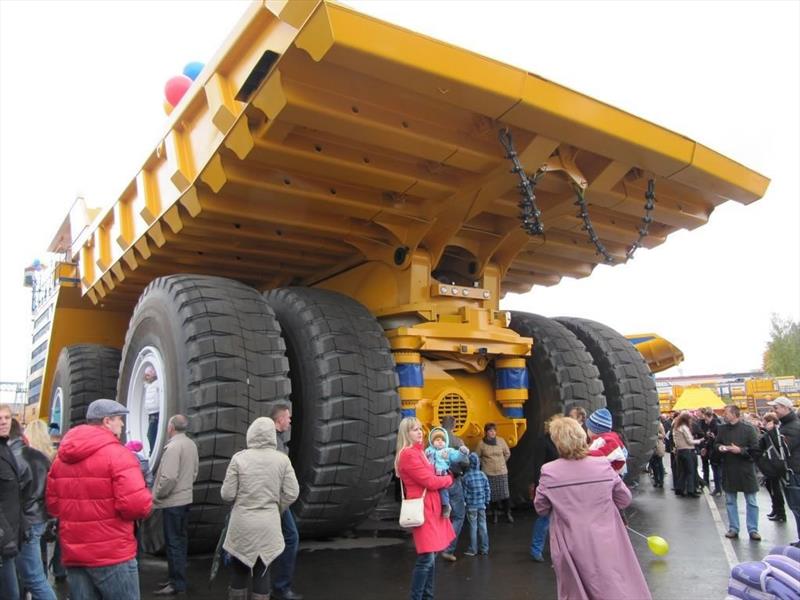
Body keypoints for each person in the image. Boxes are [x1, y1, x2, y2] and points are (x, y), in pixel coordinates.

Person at [46, 398, 153, 600]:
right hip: (112, 554)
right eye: (119, 419)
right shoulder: (119, 455)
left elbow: (53, 506)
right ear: (106, 421)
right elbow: (137, 505)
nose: (122, 424)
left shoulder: (60, 459)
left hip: (75, 554)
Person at [534, 417, 651, 600]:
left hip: (570, 541)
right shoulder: (602, 464)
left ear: (557, 442)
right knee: (613, 584)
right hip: (607, 537)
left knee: (575, 589)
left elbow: (541, 508)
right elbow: (624, 498)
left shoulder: (549, 471)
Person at [221, 417, 299, 600]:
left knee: (239, 571)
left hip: (242, 526)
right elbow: (292, 492)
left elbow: (227, 494)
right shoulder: (282, 460)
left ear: (251, 434)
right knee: (262, 571)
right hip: (268, 527)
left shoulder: (239, 459)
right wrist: (277, 507)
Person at [395, 417, 456, 600]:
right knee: (426, 557)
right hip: (423, 507)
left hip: (430, 506)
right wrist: (449, 478)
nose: (420, 432)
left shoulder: (418, 452)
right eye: (415, 429)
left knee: (431, 555)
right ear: (406, 433)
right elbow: (429, 481)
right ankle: (418, 597)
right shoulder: (408, 454)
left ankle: (427, 596)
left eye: (420, 429)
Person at [8, 419, 56, 600]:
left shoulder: (13, 458)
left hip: (24, 521)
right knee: (32, 573)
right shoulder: (41, 457)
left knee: (33, 577)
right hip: (38, 517)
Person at [151, 414, 199, 596]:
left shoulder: (173, 447)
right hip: (186, 499)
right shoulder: (190, 444)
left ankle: (176, 584)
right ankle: (176, 578)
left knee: (173, 544)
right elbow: (194, 472)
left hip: (172, 503)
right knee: (180, 541)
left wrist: (156, 495)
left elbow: (169, 477)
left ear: (170, 428)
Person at [270, 403, 303, 600]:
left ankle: (268, 587)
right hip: (276, 501)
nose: (290, 421)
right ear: (279, 419)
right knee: (291, 538)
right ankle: (280, 588)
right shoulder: (275, 442)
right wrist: (281, 504)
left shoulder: (276, 440)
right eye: (288, 418)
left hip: (274, 500)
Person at [26, 420, 65, 583]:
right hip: (51, 506)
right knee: (58, 539)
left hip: (31, 510)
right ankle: (58, 570)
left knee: (35, 547)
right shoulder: (54, 457)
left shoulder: (24, 456)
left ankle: (39, 575)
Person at [715, 404, 761, 540]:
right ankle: (733, 528)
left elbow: (755, 450)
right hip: (729, 468)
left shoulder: (749, 429)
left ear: (735, 414)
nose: (724, 415)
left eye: (726, 413)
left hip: (746, 469)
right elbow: (716, 444)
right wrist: (721, 448)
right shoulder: (722, 429)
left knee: (751, 501)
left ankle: (753, 529)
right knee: (730, 500)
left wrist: (740, 450)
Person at [1, 404, 30, 600]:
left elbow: (13, 495)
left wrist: (23, 525)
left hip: (10, 538)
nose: (3, 422)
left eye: (6, 418)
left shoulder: (6, 448)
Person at [767, 396, 800, 547]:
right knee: (796, 507)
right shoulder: (788, 425)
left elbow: (784, 448)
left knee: (797, 506)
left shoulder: (792, 426)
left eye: (776, 408)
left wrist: (772, 433)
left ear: (786, 408)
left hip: (794, 471)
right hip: (792, 470)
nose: (774, 411)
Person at [529, 415, 561, 562]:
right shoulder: (543, 442)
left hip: (560, 483)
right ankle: (536, 550)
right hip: (547, 484)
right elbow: (538, 466)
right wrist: (538, 485)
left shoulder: (559, 441)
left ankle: (559, 550)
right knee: (544, 518)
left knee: (558, 519)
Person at [439, 416, 468, 562]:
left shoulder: (433, 441)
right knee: (458, 516)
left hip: (438, 483)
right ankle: (448, 549)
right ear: (454, 425)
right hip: (453, 481)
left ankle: (436, 545)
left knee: (441, 515)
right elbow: (465, 461)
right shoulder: (457, 441)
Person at [424, 427, 468, 518]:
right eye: (437, 440)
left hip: (442, 474)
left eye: (443, 440)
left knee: (443, 490)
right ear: (432, 442)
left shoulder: (447, 451)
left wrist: (461, 453)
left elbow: (455, 456)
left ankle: (446, 506)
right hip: (431, 475)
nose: (440, 442)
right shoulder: (428, 451)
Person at [476, 423, 512, 523]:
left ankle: (507, 513)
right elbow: (477, 456)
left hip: (502, 471)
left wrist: (502, 462)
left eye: (494, 431)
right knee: (493, 496)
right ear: (486, 432)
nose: (493, 433)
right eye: (490, 431)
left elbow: (507, 453)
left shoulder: (501, 441)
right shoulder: (481, 444)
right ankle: (495, 514)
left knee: (505, 494)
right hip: (489, 472)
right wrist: (484, 464)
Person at [460, 452, 490, 557]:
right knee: (483, 526)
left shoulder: (465, 477)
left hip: (471, 506)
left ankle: (473, 549)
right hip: (482, 505)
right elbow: (487, 489)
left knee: (473, 527)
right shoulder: (482, 475)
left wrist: (465, 502)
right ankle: (485, 549)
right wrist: (487, 500)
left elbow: (464, 493)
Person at [759, 412, 786, 522]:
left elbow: (764, 446)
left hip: (774, 465)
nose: (763, 422)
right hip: (772, 464)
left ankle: (780, 512)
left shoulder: (774, 433)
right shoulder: (770, 432)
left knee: (775, 489)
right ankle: (776, 510)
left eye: (765, 421)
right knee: (772, 487)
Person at [585, 408, 627, 475]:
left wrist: (582, 454)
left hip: (612, 475)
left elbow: (600, 456)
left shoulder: (603, 441)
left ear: (591, 430)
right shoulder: (614, 437)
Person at [672, 412, 703, 497]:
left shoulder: (676, 428)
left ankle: (679, 488)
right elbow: (690, 441)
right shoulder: (684, 428)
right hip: (687, 451)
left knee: (683, 471)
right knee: (690, 471)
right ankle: (691, 490)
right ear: (686, 420)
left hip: (679, 451)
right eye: (690, 419)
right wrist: (699, 440)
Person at [699, 408, 723, 496]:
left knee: (717, 471)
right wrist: (705, 448)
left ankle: (719, 488)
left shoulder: (716, 426)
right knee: (716, 470)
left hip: (716, 452)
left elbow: (718, 439)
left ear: (710, 417)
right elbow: (709, 439)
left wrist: (713, 438)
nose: (705, 422)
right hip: (712, 451)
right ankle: (718, 488)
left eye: (706, 419)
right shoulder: (711, 426)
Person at [143, 365, 161, 453]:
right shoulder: (147, 386)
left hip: (155, 413)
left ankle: (153, 451)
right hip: (150, 413)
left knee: (151, 434)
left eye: (148, 375)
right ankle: (152, 450)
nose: (147, 377)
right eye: (146, 375)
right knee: (151, 433)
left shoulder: (157, 384)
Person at [649, 418, 666, 488]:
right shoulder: (650, 425)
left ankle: (661, 481)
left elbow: (663, 435)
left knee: (659, 464)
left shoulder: (660, 425)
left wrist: (655, 434)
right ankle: (656, 480)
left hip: (658, 446)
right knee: (653, 465)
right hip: (651, 447)